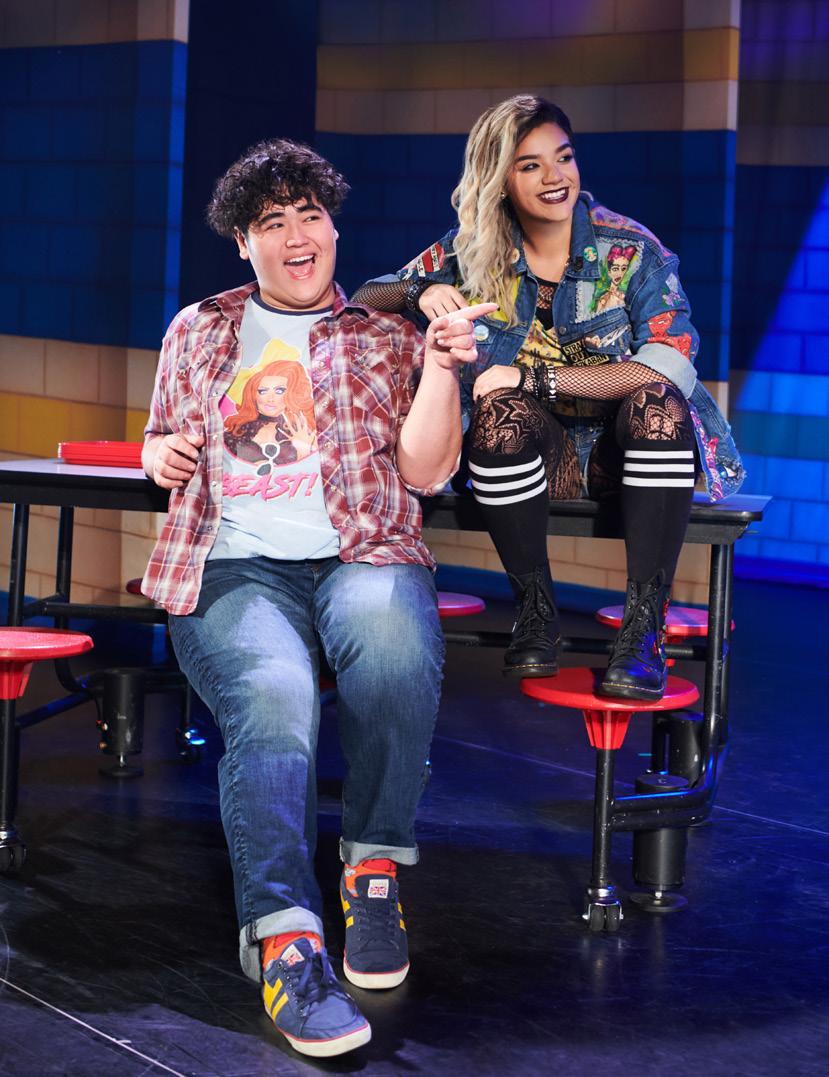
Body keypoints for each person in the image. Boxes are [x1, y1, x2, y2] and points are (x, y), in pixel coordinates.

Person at [141, 138, 494, 1059]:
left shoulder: (386, 336)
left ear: (334, 228)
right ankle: (286, 942)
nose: (297, 235)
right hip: (231, 566)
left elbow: (426, 471)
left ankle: (371, 869)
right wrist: (157, 452)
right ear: (242, 242)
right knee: (274, 696)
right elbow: (158, 434)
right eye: (273, 222)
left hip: (361, 550)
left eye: (311, 215)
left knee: (394, 644)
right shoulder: (198, 329)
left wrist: (442, 366)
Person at [354, 94, 744, 700]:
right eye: (530, 164)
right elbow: (364, 298)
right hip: (538, 461)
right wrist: (420, 292)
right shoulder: (472, 250)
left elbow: (670, 364)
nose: (555, 176)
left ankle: (645, 631)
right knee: (498, 413)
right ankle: (535, 612)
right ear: (500, 179)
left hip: (628, 459)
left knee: (658, 403)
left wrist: (537, 379)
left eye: (563, 157)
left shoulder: (629, 249)